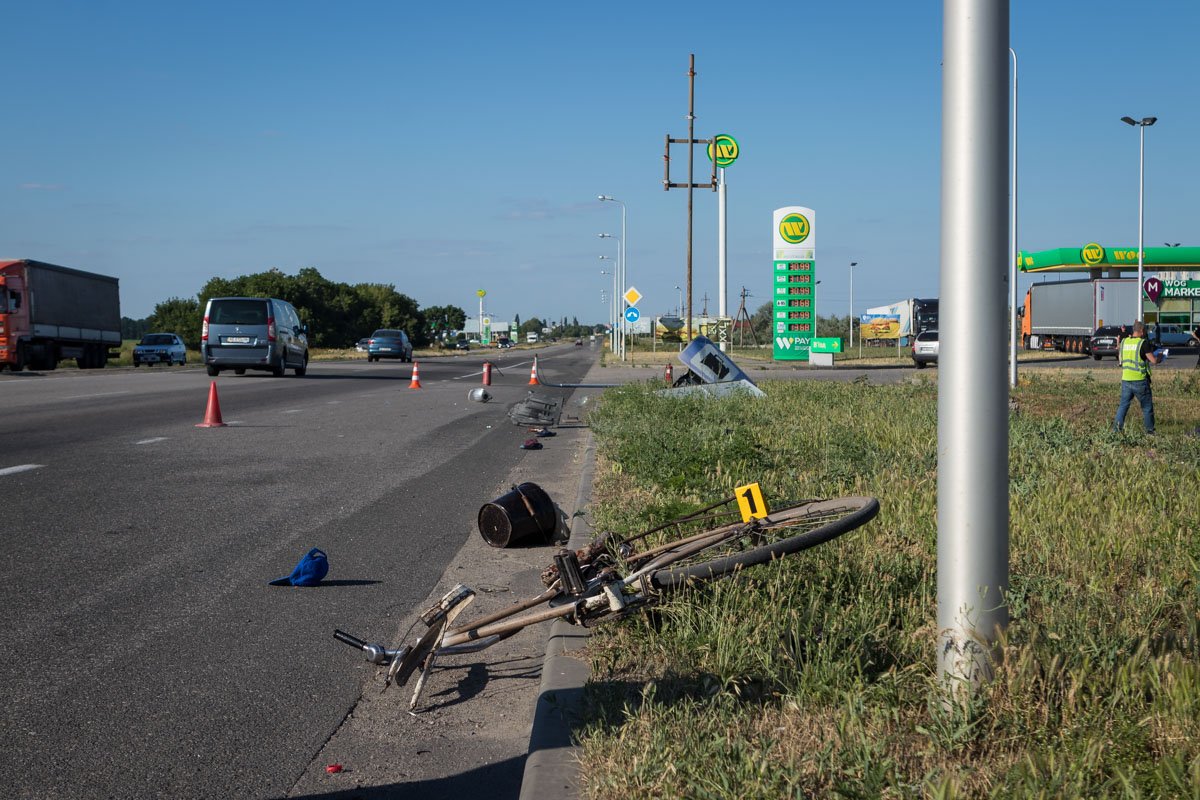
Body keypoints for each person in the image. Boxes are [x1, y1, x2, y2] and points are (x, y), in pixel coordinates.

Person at [1113, 320, 1160, 434]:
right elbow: (1153, 360)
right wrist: (1160, 357)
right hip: (1139, 380)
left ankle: (1116, 431)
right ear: (1142, 331)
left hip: (1126, 379)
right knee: (1147, 407)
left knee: (1123, 406)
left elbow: (1119, 350)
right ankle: (1149, 432)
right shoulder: (1143, 343)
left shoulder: (1124, 342)